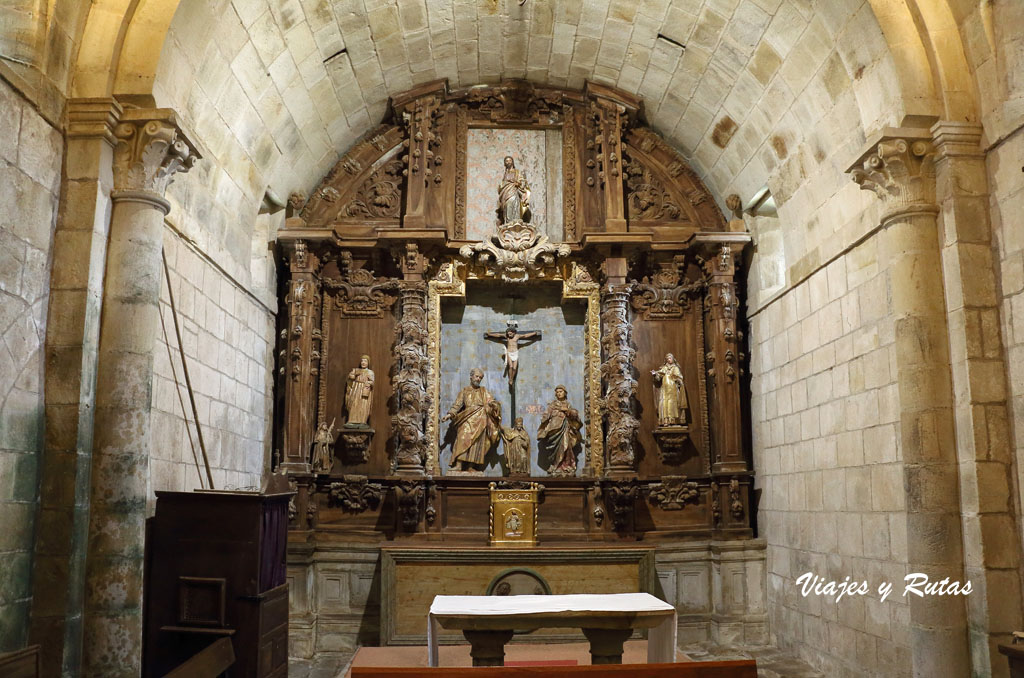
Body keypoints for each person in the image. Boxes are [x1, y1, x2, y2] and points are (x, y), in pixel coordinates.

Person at [442, 368, 502, 472]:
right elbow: (457, 405)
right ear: (471, 377)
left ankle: (471, 466)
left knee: (476, 444)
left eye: (480, 377)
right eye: (476, 376)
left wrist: (494, 405)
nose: (478, 379)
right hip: (467, 419)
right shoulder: (464, 391)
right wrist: (449, 415)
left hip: (480, 420)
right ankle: (459, 465)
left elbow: (492, 402)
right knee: (462, 438)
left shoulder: (484, 391)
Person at [538, 385, 583, 476]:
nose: (559, 393)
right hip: (554, 429)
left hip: (565, 429)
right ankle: (555, 465)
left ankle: (566, 466)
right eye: (557, 392)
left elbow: (575, 416)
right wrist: (545, 418)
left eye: (561, 391)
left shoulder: (568, 405)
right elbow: (546, 415)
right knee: (555, 448)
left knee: (566, 446)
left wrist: (567, 410)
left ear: (565, 393)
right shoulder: (553, 405)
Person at [652, 353, 687, 426]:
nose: (669, 360)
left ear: (673, 359)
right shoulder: (664, 368)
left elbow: (679, 377)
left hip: (673, 388)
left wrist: (678, 380)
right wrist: (655, 374)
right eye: (667, 358)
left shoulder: (675, 368)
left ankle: (674, 420)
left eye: (670, 358)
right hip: (664, 390)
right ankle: (666, 420)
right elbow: (658, 378)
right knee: (665, 403)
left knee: (673, 403)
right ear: (666, 360)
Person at [497, 156, 531, 224]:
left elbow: (523, 181)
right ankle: (508, 224)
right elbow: (502, 185)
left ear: (512, 162)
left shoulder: (517, 172)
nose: (508, 162)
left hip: (514, 192)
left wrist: (518, 183)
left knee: (515, 206)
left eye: (510, 160)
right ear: (504, 163)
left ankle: (516, 223)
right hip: (506, 193)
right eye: (506, 161)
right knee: (507, 206)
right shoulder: (505, 174)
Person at [345, 355, 374, 427]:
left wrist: (368, 383)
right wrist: (351, 377)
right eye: (362, 361)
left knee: (363, 405)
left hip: (364, 390)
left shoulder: (370, 372)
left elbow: (372, 382)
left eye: (365, 361)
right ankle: (352, 420)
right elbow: (350, 379)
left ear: (368, 363)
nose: (363, 362)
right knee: (354, 404)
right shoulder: (356, 370)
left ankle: (362, 421)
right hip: (355, 389)